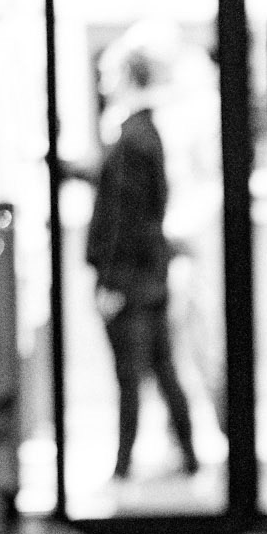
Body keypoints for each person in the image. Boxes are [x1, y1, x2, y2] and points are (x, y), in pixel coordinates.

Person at [86, 43, 199, 481]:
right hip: (148, 274)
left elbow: (124, 218)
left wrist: (112, 281)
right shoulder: (144, 133)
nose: (104, 84)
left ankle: (124, 463)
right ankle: (185, 453)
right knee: (161, 367)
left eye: (110, 75)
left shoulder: (132, 137)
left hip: (133, 279)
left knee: (132, 374)